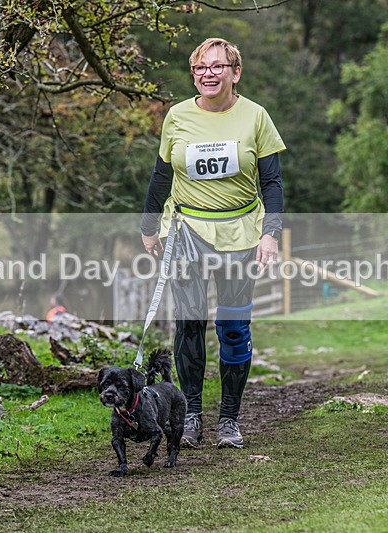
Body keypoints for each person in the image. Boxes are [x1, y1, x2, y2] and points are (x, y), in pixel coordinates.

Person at [140, 38, 285, 449]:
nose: (208, 74)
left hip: (241, 232)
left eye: (217, 67)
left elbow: (272, 182)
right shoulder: (178, 116)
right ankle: (191, 416)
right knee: (189, 325)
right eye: (200, 67)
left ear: (235, 73)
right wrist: (150, 226)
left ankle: (229, 420)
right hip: (187, 232)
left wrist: (270, 234)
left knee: (234, 329)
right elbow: (161, 176)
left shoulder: (255, 116)